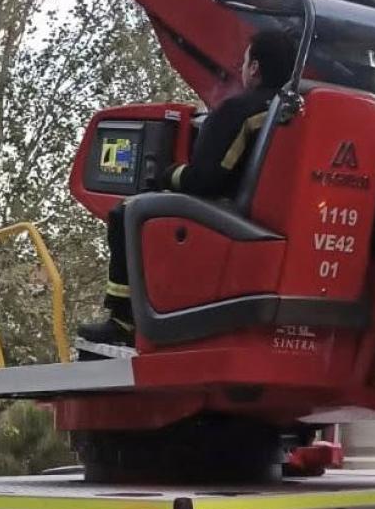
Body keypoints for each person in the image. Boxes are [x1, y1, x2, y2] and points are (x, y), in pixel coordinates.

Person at [77, 27, 297, 348]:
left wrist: (168, 174)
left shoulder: (240, 111)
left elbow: (203, 181)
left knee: (127, 212)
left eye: (245, 61)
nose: (241, 68)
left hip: (226, 213)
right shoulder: (292, 110)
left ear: (255, 68)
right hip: (263, 219)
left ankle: (123, 320)